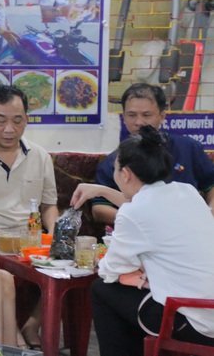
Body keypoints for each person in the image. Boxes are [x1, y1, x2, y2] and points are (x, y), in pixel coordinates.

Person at [75, 125, 214, 356]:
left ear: (126, 173)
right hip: (209, 312)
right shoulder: (187, 192)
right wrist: (103, 191)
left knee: (102, 290)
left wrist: (137, 276)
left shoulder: (134, 213)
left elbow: (110, 271)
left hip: (194, 323)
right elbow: (144, 205)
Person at [0, 84, 59, 349]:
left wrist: (56, 232)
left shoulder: (39, 156)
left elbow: (49, 204)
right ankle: (14, 340)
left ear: (27, 119)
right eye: (1, 120)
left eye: (17, 121)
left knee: (65, 268)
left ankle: (31, 325)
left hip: (30, 240)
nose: (9, 129)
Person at [75, 83, 214, 225]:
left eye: (146, 115)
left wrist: (210, 215)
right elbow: (100, 208)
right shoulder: (116, 159)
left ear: (162, 116)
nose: (139, 122)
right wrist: (139, 221)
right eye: (131, 115)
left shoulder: (187, 148)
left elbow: (211, 185)